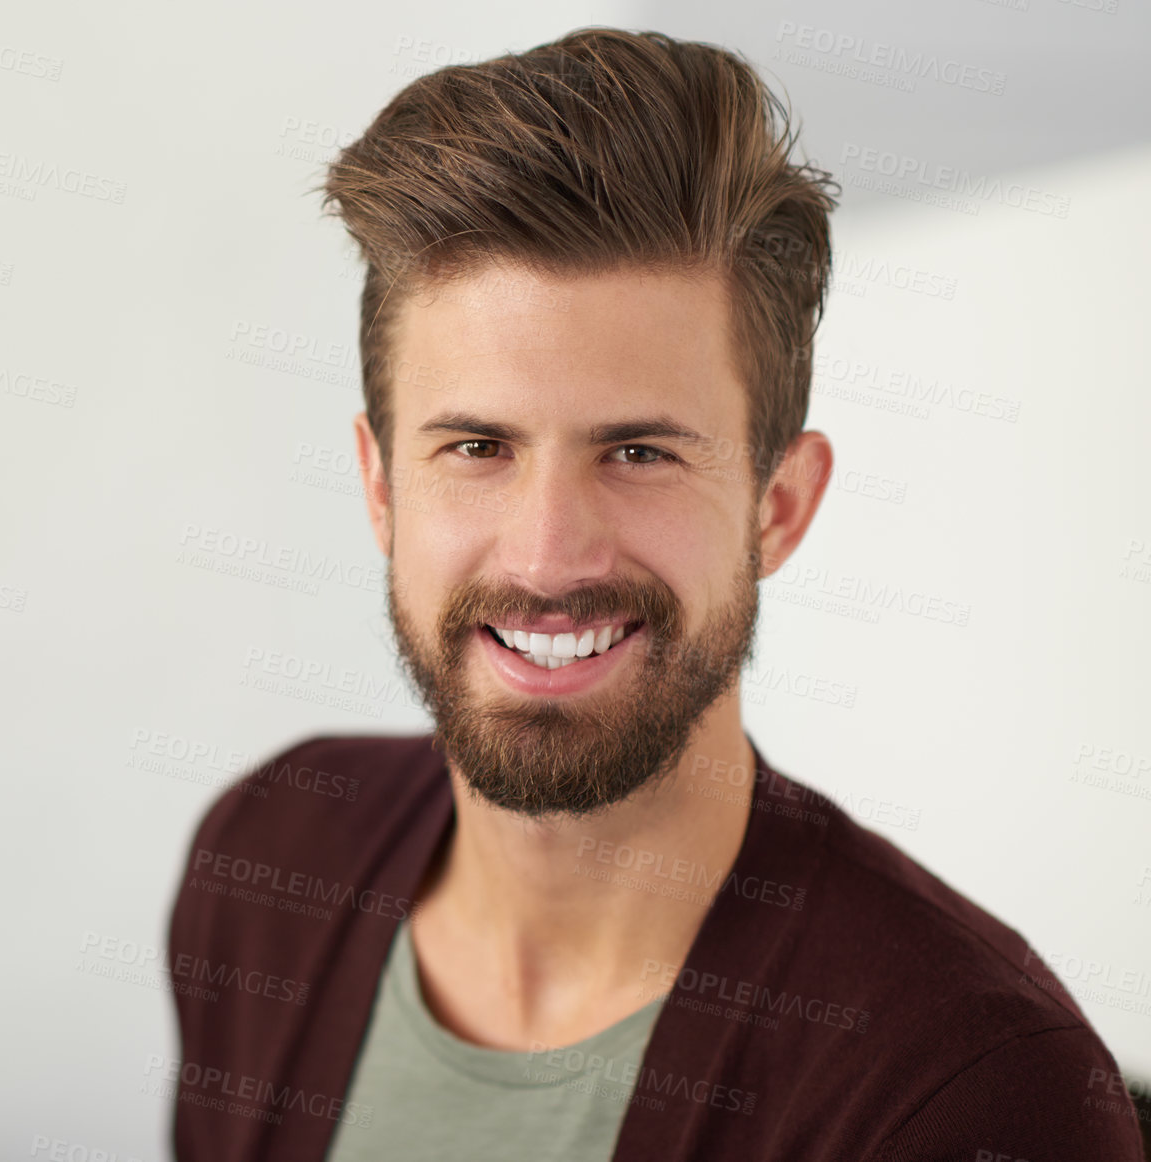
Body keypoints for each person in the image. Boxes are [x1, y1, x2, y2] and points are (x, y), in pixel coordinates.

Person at [164, 27, 1145, 1161]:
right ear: (381, 488)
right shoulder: (268, 861)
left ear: (778, 506)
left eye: (637, 452)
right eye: (477, 445)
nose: (545, 556)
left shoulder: (972, 1092)